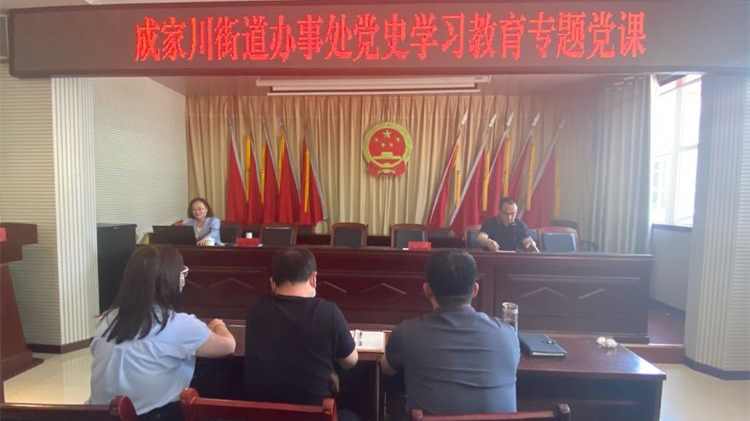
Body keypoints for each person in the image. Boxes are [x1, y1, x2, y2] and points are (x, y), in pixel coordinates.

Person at [89, 246, 236, 421]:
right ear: (174, 280)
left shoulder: (107, 319)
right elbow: (228, 346)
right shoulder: (178, 324)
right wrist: (218, 325)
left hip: (99, 415)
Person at [381, 250, 520, 416]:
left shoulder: (407, 333)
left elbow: (386, 368)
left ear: (427, 290)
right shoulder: (508, 335)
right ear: (475, 289)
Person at [244, 248, 358, 411]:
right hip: (315, 415)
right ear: (313, 278)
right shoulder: (328, 312)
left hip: (263, 415)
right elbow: (351, 361)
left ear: (272, 281)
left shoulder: (256, 310)